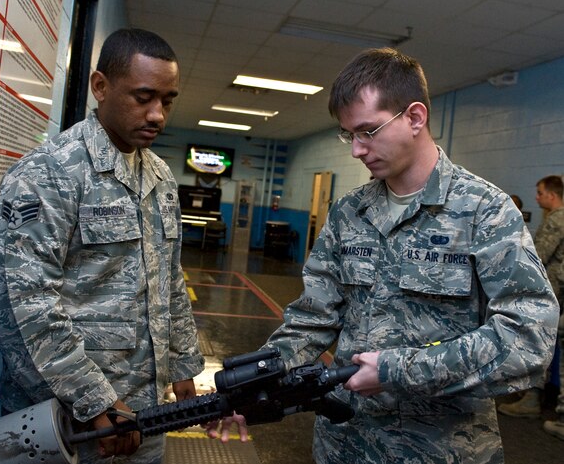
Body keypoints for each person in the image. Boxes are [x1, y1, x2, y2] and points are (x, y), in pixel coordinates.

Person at [208, 48, 559, 464]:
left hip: (442, 448)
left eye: (368, 131)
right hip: (345, 443)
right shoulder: (347, 212)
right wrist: (253, 383)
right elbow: (312, 319)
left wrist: (397, 370)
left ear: (414, 117)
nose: (356, 150)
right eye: (348, 134)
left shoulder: (485, 210)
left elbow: (528, 337)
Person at [0, 28, 204, 464]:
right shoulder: (49, 174)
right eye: (143, 97)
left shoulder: (159, 178)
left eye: (168, 100)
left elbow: (169, 281)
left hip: (145, 411)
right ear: (100, 87)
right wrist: (92, 401)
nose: (158, 115)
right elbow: (24, 302)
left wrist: (183, 365)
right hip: (69, 421)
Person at [498, 175, 564, 421]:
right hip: (557, 293)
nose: (536, 198)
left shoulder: (557, 219)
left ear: (552, 195)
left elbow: (540, 258)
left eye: (540, 192)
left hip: (552, 293)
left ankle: (532, 399)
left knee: (538, 342)